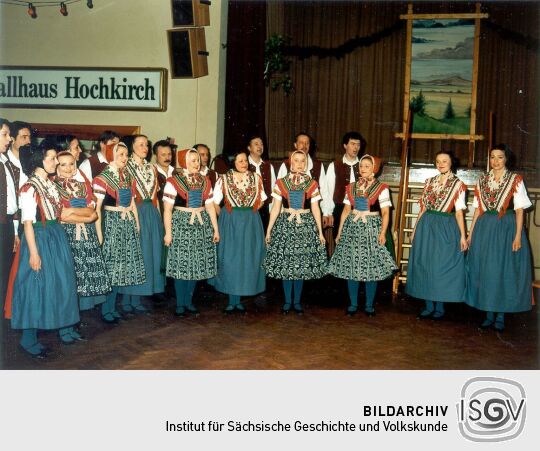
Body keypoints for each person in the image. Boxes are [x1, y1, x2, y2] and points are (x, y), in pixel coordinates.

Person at [8, 142, 84, 357]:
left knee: (61, 283)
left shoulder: (50, 183)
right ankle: (28, 339)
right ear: (38, 161)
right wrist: (33, 253)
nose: (56, 162)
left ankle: (65, 328)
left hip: (55, 236)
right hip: (39, 238)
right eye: (51, 159)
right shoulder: (30, 188)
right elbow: (28, 224)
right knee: (36, 287)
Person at [465, 145, 533, 332]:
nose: (495, 161)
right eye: (492, 157)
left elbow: (519, 211)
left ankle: (500, 316)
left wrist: (518, 235)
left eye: (500, 157)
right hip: (485, 228)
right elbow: (478, 209)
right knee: (486, 271)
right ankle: (488, 314)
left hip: (506, 228)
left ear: (506, 159)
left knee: (501, 270)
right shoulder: (483, 180)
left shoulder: (515, 180)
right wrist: (471, 234)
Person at [329, 154, 397, 316]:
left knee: (370, 267)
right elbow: (346, 210)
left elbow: (386, 212)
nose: (363, 169)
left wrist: (382, 233)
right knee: (352, 266)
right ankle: (353, 303)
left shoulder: (381, 188)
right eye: (361, 166)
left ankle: (368, 304)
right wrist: (340, 232)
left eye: (367, 166)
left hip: (371, 228)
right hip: (352, 228)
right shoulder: (352, 187)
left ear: (374, 168)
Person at [405, 151, 468, 320]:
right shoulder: (429, 182)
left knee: (440, 267)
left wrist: (463, 236)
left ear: (451, 163)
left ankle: (440, 306)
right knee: (425, 264)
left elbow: (459, 213)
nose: (441, 164)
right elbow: (423, 208)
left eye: (444, 161)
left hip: (446, 227)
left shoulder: (458, 184)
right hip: (426, 226)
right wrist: (414, 230)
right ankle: (428, 305)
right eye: (438, 161)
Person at [264, 150, 327, 314]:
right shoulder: (281, 183)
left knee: (300, 266)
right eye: (296, 161)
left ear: (306, 164)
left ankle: (297, 301)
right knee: (287, 265)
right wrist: (269, 230)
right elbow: (276, 208)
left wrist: (320, 232)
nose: (299, 164)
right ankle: (287, 301)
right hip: (286, 224)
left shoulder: (312, 183)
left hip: (304, 226)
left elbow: (315, 208)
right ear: (290, 163)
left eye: (302, 161)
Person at [93, 142, 146, 324]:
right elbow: (98, 209)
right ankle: (106, 308)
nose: (124, 158)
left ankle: (113, 307)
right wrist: (99, 232)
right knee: (110, 268)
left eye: (125, 154)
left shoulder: (128, 177)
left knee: (120, 269)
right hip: (111, 224)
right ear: (112, 155)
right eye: (120, 154)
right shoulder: (102, 179)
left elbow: (132, 204)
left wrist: (136, 224)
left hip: (127, 224)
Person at [163, 149, 219, 316]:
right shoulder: (173, 182)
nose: (197, 163)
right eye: (193, 160)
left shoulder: (205, 180)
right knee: (182, 265)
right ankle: (180, 303)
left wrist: (215, 229)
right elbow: (167, 210)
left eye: (198, 160)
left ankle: (189, 301)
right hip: (181, 224)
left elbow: (209, 206)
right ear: (185, 162)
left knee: (196, 265)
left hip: (201, 225)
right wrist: (168, 232)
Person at [54, 150, 111, 314]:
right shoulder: (54, 186)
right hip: (67, 235)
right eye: (63, 164)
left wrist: (73, 213)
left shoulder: (83, 185)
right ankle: (68, 312)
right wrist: (82, 213)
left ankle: (81, 312)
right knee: (70, 272)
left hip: (86, 233)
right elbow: (61, 215)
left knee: (84, 273)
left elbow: (93, 213)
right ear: (57, 167)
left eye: (71, 164)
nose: (68, 168)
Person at [210, 150, 266, 313]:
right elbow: (215, 202)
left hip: (250, 222)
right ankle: (231, 299)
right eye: (240, 161)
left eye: (245, 160)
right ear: (233, 163)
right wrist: (226, 217)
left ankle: (240, 298)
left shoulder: (256, 178)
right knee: (231, 260)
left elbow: (262, 199)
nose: (244, 163)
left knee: (247, 259)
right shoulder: (224, 179)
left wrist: (250, 211)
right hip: (231, 222)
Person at [119, 135, 165, 312]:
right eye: (141, 144)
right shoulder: (126, 166)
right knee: (134, 255)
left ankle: (137, 298)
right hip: (134, 211)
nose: (145, 147)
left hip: (150, 213)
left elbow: (155, 198)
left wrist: (159, 219)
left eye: (146, 144)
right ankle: (126, 299)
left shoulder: (151, 168)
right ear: (132, 147)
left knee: (147, 255)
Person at [322, 132, 364, 234]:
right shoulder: (335, 165)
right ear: (345, 145)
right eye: (352, 144)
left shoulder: (364, 165)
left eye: (358, 144)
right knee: (339, 240)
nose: (356, 148)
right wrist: (328, 212)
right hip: (340, 209)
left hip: (361, 209)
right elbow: (328, 190)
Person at [0, 118, 19, 318]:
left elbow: (12, 202)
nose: (9, 138)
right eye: (4, 134)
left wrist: (14, 231)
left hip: (5, 225)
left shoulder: (5, 162)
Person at [247, 135, 276, 230]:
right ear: (249, 147)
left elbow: (273, 189)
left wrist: (272, 209)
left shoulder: (268, 166)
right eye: (256, 144)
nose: (260, 147)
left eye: (261, 144)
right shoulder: (243, 165)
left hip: (265, 209)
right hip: (248, 209)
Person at [6, 120, 31, 186]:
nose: (29, 141)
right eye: (24, 137)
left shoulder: (31, 159)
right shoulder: (5, 161)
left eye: (29, 137)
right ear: (12, 140)